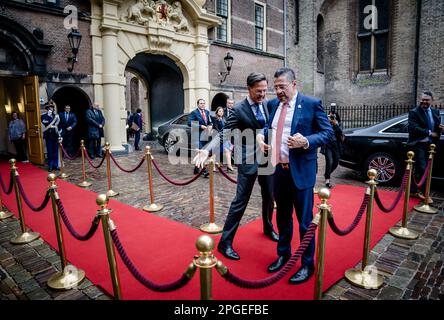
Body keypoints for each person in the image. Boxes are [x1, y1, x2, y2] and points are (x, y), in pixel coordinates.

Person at [257, 67, 334, 284]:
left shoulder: (311, 104)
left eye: (282, 86)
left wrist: (307, 141)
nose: (278, 91)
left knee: (305, 221)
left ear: (294, 84)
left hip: (301, 172)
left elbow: (328, 133)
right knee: (282, 217)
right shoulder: (272, 104)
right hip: (278, 172)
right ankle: (284, 254)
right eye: (276, 87)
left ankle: (307, 264)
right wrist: (262, 138)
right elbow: (267, 127)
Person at [194, 72, 279, 260]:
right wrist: (208, 150)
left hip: (266, 158)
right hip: (247, 161)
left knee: (269, 196)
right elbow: (224, 133)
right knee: (240, 202)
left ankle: (268, 227)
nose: (263, 94)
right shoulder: (238, 110)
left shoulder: (266, 104)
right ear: (249, 89)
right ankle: (225, 243)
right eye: (259, 91)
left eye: (265, 90)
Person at [407, 91, 442, 200]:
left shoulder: (435, 111)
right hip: (418, 144)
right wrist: (429, 132)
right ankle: (424, 193)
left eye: (427, 100)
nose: (424, 102)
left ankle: (413, 191)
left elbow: (435, 127)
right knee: (423, 168)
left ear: (432, 100)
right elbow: (413, 128)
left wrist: (439, 128)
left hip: (431, 145)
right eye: (422, 99)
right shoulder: (414, 112)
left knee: (424, 168)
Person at [188, 98, 212, 177]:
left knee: (202, 153)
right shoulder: (194, 113)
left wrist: (210, 126)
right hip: (197, 135)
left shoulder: (207, 112)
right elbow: (189, 123)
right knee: (201, 152)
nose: (203, 105)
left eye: (204, 103)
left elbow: (209, 122)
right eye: (201, 103)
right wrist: (200, 126)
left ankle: (196, 169)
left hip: (205, 135)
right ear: (198, 104)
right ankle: (204, 171)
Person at [321, 107, 343, 188]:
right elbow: (322, 131)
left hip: (336, 145)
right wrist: (327, 122)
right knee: (329, 161)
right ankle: (327, 180)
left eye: (332, 116)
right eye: (329, 116)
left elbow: (340, 133)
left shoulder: (338, 124)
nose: (331, 117)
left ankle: (327, 174)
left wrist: (335, 124)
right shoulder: (325, 123)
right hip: (327, 145)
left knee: (336, 162)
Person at [41, 102, 61, 171]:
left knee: (55, 151)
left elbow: (59, 125)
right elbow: (45, 123)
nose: (50, 109)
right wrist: (49, 116)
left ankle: (56, 165)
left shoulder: (56, 116)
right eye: (49, 108)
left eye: (52, 107)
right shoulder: (43, 116)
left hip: (55, 135)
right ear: (47, 109)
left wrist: (59, 134)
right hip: (48, 135)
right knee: (50, 151)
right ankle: (50, 165)